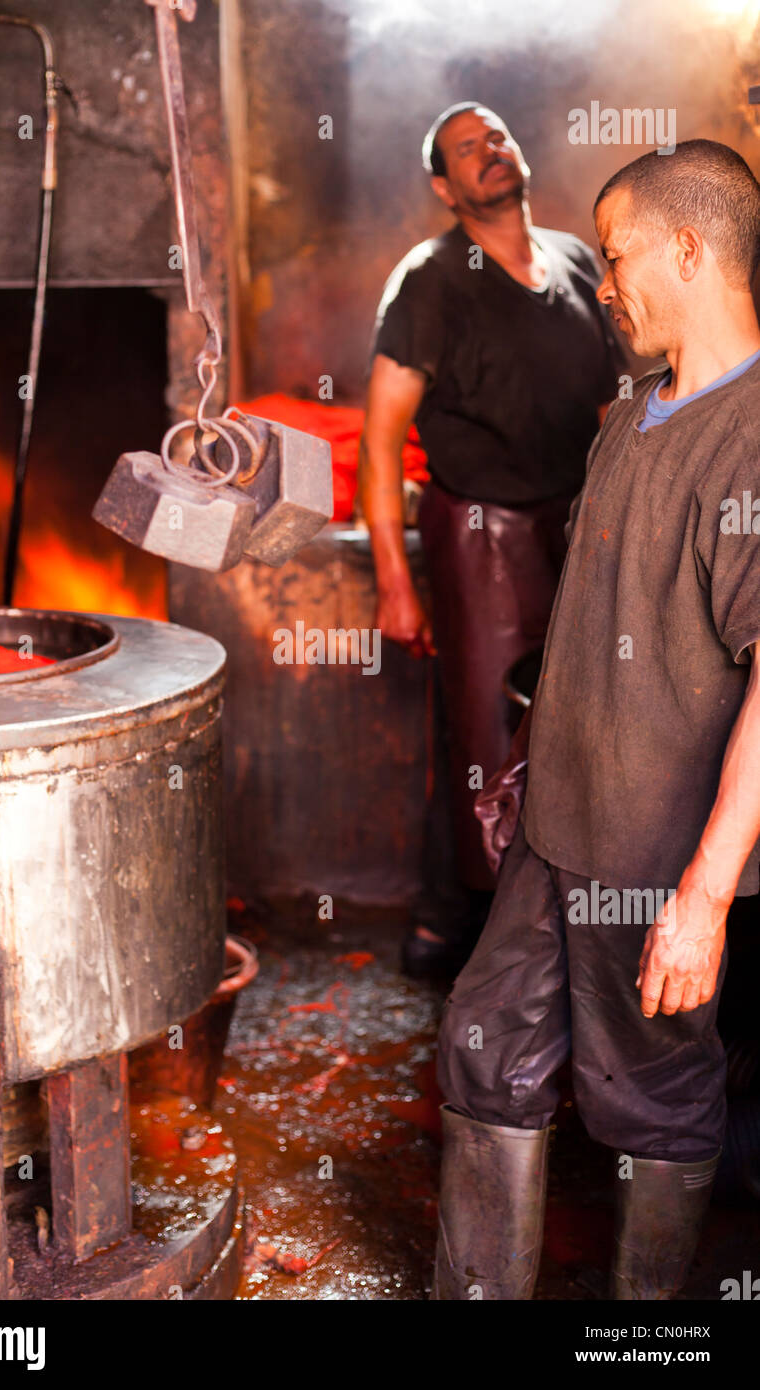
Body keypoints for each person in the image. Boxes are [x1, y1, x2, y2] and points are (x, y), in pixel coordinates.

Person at [432, 138, 760, 1300]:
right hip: (556, 825)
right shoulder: (630, 414)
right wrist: (526, 767)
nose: (602, 284)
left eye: (616, 258)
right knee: (482, 1045)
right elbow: (590, 623)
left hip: (651, 853)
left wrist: (703, 899)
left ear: (687, 247)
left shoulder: (750, 436)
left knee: (650, 1097)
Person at [358, 102, 624, 978]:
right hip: (480, 533)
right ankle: (461, 930)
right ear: (444, 186)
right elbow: (382, 433)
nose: (490, 153)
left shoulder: (579, 262)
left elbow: (611, 408)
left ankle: (561, 927)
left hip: (575, 523)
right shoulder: (430, 280)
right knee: (483, 735)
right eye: (466, 150)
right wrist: (397, 578)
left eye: (499, 136)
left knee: (577, 723)